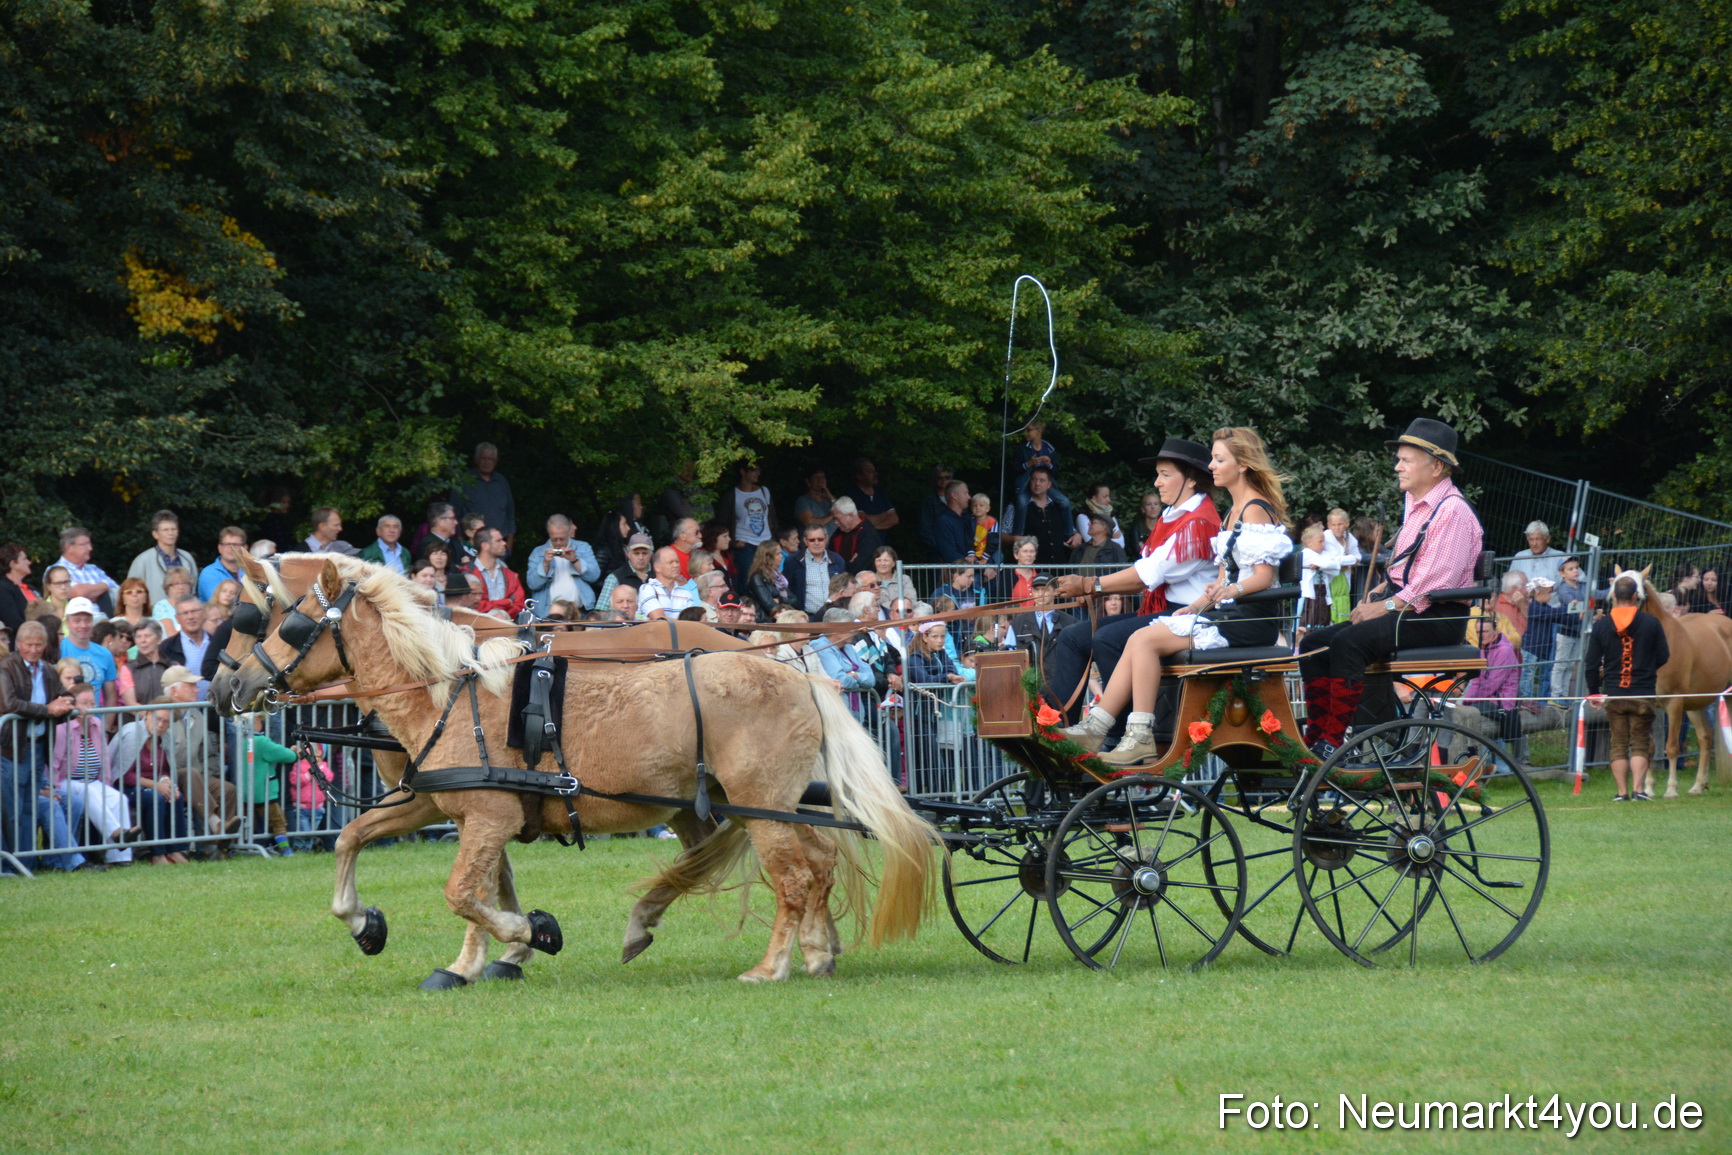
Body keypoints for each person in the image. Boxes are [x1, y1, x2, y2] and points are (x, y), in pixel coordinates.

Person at [1063, 428, 1293, 765]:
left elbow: (1262, 577)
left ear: (1242, 465)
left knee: (1143, 639)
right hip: (1224, 613)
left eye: (1219, 459)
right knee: (1138, 637)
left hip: (1250, 619)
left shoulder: (1255, 509)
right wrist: (1198, 604)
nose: (1212, 466)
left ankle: (1134, 734)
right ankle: (1100, 727)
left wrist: (1231, 590)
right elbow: (1221, 576)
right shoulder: (1232, 512)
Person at [1297, 418, 1484, 759]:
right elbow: (1414, 567)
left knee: (1348, 642)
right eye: (1399, 459)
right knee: (1312, 645)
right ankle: (1317, 732)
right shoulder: (1417, 504)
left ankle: (1335, 741)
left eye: (1406, 460)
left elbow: (1435, 582)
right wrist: (1383, 587)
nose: (1397, 466)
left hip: (1436, 617)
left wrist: (1383, 606)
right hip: (1409, 609)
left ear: (1437, 465)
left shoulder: (1452, 511)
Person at [1048, 439, 1223, 721]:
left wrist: (1089, 585)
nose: (1157, 482)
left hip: (1187, 615)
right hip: (1166, 612)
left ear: (1190, 480)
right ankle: (1057, 725)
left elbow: (1149, 574)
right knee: (1072, 636)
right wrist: (1093, 588)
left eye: (1165, 475)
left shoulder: (1199, 523)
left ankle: (1114, 736)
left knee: (1107, 638)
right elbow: (1146, 571)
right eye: (1159, 474)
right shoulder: (1175, 516)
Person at [0, 622, 88, 872]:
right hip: (11, 748)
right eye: (29, 644)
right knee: (11, 809)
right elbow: (9, 704)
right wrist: (47, 709)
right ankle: (8, 864)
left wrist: (69, 703)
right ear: (18, 644)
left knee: (29, 808)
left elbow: (63, 695)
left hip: (37, 746)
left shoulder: (49, 670)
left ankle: (27, 863)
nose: (34, 649)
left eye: (39, 644)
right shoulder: (6, 667)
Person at [1585, 573, 1670, 801]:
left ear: (1614, 595)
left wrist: (1594, 691)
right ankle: (1639, 790)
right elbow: (1664, 655)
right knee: (1640, 742)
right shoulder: (1651, 623)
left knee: (1619, 743)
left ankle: (1622, 793)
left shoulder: (1602, 626)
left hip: (1615, 694)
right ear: (1635, 596)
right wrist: (1647, 669)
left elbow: (1591, 663)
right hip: (1643, 692)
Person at [51, 684, 137, 864]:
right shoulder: (62, 728)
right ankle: (116, 833)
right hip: (65, 781)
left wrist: (106, 786)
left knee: (118, 798)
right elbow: (54, 763)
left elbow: (104, 759)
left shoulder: (97, 725)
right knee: (87, 791)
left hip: (91, 780)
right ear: (73, 706)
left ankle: (120, 857)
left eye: (92, 703)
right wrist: (52, 787)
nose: (89, 708)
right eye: (84, 703)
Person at [109, 704, 192, 864]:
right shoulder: (133, 734)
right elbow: (124, 775)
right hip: (125, 788)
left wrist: (166, 782)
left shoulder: (166, 737)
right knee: (156, 798)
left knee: (175, 796)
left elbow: (166, 769)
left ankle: (176, 850)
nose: (160, 725)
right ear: (147, 715)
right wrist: (157, 786)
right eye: (157, 719)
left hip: (150, 785)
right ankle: (157, 854)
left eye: (166, 722)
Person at [526, 515, 599, 614]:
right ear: (549, 534)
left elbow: (594, 576)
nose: (558, 543)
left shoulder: (583, 547)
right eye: (554, 539)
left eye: (562, 539)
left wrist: (575, 560)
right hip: (549, 613)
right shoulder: (538, 552)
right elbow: (532, 584)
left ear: (569, 532)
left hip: (579, 611)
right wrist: (545, 564)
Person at [453, 442, 517, 554]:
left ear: (496, 461)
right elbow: (455, 515)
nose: (487, 462)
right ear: (476, 459)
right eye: (483, 458)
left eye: (491, 459)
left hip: (500, 548)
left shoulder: (502, 482)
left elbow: (510, 515)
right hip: (472, 548)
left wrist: (509, 547)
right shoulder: (464, 481)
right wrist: (461, 544)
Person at [126, 510, 198, 606]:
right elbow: (131, 592)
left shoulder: (187, 558)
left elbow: (193, 590)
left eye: (173, 529)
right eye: (165, 530)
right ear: (155, 534)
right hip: (153, 616)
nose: (170, 533)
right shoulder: (142, 561)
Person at [1011, 466, 1078, 566]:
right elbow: (1001, 536)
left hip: (1059, 568)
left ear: (1049, 484)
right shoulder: (1015, 507)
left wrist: (1077, 535)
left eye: (1042, 480)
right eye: (1034, 479)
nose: (1037, 483)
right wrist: (1017, 539)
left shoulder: (1059, 506)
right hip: (1030, 569)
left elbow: (1070, 529)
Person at [58, 597, 119, 702]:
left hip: (96, 717)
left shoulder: (105, 654)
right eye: (77, 620)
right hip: (65, 717)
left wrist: (105, 719)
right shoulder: (58, 650)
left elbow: (111, 696)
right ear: (67, 623)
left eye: (87, 620)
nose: (83, 625)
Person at [53, 526, 120, 614]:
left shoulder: (94, 569)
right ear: (69, 548)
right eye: (84, 544)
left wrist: (91, 592)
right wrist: (104, 588)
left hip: (106, 622)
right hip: (76, 623)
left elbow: (118, 591)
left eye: (89, 544)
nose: (90, 548)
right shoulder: (55, 571)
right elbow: (79, 593)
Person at [1549, 555, 1588, 701]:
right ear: (1562, 573)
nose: (1575, 571)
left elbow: (1588, 601)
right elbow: (1575, 605)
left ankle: (1564, 694)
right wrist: (1587, 607)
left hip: (1578, 632)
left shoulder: (1581, 587)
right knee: (1560, 664)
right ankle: (1555, 695)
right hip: (1565, 632)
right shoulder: (1563, 589)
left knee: (1570, 665)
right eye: (1570, 569)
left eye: (1576, 568)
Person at [784, 527, 846, 617]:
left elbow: (843, 588)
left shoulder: (838, 560)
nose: (816, 543)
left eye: (820, 539)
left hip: (835, 616)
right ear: (805, 541)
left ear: (826, 539)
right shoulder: (793, 561)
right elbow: (788, 590)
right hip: (806, 617)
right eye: (812, 540)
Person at [159, 597, 212, 696]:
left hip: (215, 708)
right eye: (185, 613)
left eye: (194, 611)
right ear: (177, 618)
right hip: (183, 710)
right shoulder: (166, 648)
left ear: (204, 613)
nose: (190, 617)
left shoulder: (217, 643)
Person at [470, 528, 526, 617]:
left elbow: (519, 605)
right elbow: (470, 605)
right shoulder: (468, 573)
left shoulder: (511, 575)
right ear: (485, 546)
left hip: (507, 627)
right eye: (498, 541)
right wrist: (506, 602)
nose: (504, 543)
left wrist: (503, 616)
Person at [1295, 523, 1337, 640]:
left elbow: (1336, 568)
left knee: (1323, 621)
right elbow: (1329, 564)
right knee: (1309, 622)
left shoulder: (1324, 555)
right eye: (1320, 541)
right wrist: (1324, 564)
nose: (1323, 545)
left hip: (1323, 594)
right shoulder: (1306, 554)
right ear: (1309, 542)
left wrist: (1321, 565)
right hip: (1310, 596)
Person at [286, 743, 329, 852]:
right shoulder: (299, 765)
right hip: (302, 808)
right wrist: (310, 774)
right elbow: (295, 781)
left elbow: (328, 778)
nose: (304, 749)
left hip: (318, 808)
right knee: (304, 832)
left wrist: (320, 769)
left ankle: (307, 850)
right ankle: (299, 849)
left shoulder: (323, 765)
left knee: (312, 833)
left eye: (309, 748)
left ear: (319, 753)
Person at [596, 533, 655, 610]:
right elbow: (602, 611)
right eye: (636, 553)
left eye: (644, 553)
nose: (641, 557)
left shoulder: (659, 574)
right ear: (628, 554)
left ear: (651, 554)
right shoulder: (615, 578)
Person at [1321, 508, 1361, 622]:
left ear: (1347, 523)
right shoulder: (1326, 536)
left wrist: (1345, 562)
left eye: (1340, 524)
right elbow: (1333, 559)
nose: (1336, 528)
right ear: (1328, 525)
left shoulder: (1350, 538)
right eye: (1333, 525)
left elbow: (1358, 557)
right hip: (1328, 580)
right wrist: (1350, 560)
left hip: (1344, 581)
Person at [638, 547, 699, 621]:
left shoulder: (686, 594)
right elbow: (659, 619)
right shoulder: (647, 589)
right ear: (657, 567)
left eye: (677, 562)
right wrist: (685, 625)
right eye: (671, 562)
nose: (676, 565)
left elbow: (691, 622)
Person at [829, 497, 883, 573]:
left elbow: (857, 569)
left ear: (850, 515)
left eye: (837, 518)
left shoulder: (868, 535)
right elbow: (828, 560)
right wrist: (848, 564)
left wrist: (839, 564)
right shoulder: (839, 532)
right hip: (839, 581)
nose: (835, 523)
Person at [844, 458, 899, 533]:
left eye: (874, 471)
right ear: (859, 476)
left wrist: (873, 529)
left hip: (880, 543)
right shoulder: (852, 495)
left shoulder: (880, 492)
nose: (875, 474)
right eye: (870, 471)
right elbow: (861, 520)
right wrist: (884, 515)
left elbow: (894, 519)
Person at [927, 481, 973, 564]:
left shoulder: (967, 519)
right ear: (954, 495)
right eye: (965, 493)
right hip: (958, 573)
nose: (969, 497)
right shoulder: (943, 521)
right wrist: (978, 567)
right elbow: (949, 554)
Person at [1508, 521, 1566, 587]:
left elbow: (1576, 579)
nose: (1534, 543)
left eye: (1538, 539)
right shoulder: (1519, 557)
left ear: (1547, 539)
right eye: (1531, 539)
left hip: (1551, 597)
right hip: (1525, 597)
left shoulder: (1560, 557)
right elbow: (1510, 584)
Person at [197, 526, 250, 597]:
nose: (231, 549)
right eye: (227, 545)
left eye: (236, 545)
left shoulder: (251, 571)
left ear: (245, 548)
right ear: (219, 548)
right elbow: (218, 603)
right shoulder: (209, 573)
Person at [1074, 482, 1124, 548]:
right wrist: (1111, 537)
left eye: (1109, 496)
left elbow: (1121, 544)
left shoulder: (1110, 515)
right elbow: (1091, 542)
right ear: (1094, 498)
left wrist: (1102, 538)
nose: (1109, 500)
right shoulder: (1083, 517)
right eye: (1105, 497)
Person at [0, 543, 36, 635]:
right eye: (24, 559)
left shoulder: (31, 588)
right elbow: (13, 622)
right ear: (13, 564)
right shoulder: (3, 589)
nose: (29, 562)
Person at [968, 492, 999, 563]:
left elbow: (993, 542)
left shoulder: (992, 522)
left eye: (981, 505)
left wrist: (985, 558)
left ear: (987, 509)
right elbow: (968, 539)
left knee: (998, 557)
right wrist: (971, 554)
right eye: (975, 505)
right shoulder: (969, 521)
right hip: (974, 553)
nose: (978, 508)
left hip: (990, 553)